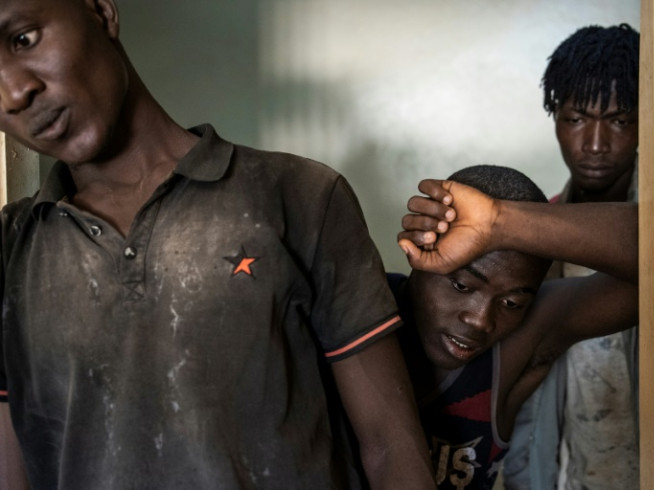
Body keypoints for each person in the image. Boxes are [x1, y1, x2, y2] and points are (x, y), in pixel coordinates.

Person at [0, 1, 435, 488]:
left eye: (24, 40)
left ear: (101, 13)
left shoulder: (299, 195)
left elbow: (389, 445)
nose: (15, 92)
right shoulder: (12, 249)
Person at [391, 164, 638, 489]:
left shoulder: (512, 351)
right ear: (420, 248)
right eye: (462, 286)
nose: (481, 320)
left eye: (512, 304)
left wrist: (498, 221)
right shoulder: (358, 308)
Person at [503, 24, 641, 490]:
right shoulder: (538, 239)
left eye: (620, 121)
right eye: (577, 118)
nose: (596, 144)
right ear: (555, 117)